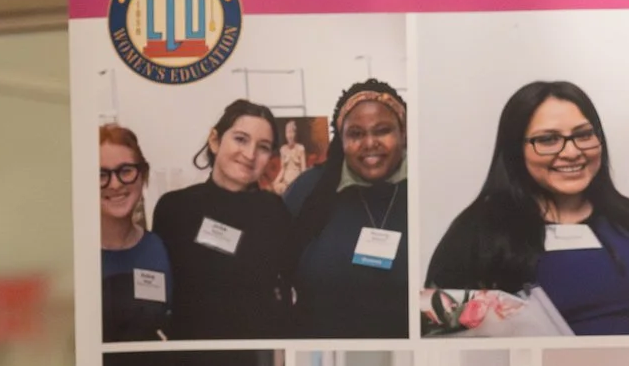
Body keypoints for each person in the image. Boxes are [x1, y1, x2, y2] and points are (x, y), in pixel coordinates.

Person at [425, 82, 629, 335]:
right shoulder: (478, 232)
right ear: (515, 149)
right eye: (548, 139)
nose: (572, 152)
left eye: (583, 135)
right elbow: (440, 328)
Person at [153, 98, 296, 338]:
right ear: (215, 140)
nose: (250, 154)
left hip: (257, 360)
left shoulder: (274, 211)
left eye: (263, 147)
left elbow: (287, 288)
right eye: (240, 139)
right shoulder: (175, 208)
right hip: (190, 358)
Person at [286, 79, 411, 338]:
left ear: (404, 133)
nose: (369, 143)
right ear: (341, 141)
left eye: (382, 130)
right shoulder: (308, 191)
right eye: (356, 133)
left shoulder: (425, 190)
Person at [99, 120, 173, 342]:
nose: (115, 184)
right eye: (102, 174)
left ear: (143, 175)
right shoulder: (73, 255)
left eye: (126, 171)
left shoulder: (158, 249)